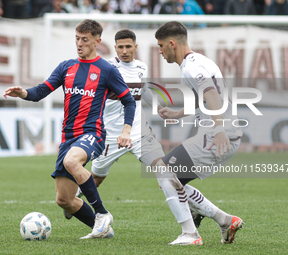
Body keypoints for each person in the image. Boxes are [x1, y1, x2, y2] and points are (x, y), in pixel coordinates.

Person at [64, 28, 206, 235]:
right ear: (115, 48)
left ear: (135, 47)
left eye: (128, 46)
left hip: (138, 133)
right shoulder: (107, 68)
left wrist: (157, 106)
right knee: (96, 178)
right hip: (111, 135)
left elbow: (144, 91)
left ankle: (194, 211)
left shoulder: (141, 67)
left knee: (166, 172)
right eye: (120, 47)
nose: (124, 51)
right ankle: (75, 198)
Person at [3, 19, 136, 239]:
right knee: (64, 200)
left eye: (85, 40)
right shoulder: (66, 67)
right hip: (68, 138)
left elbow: (129, 101)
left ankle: (102, 214)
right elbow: (40, 92)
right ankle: (103, 230)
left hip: (93, 133)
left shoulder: (106, 70)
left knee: (72, 161)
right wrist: (23, 93)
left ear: (97, 41)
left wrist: (126, 131)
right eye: (77, 39)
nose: (80, 44)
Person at [154, 21, 244, 245]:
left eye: (161, 45)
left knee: (164, 172)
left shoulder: (192, 66)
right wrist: (178, 114)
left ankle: (190, 234)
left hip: (218, 133)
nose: (160, 51)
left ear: (172, 44)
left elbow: (212, 95)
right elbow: (206, 97)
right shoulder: (198, 61)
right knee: (172, 178)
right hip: (221, 131)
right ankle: (225, 220)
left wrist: (220, 129)